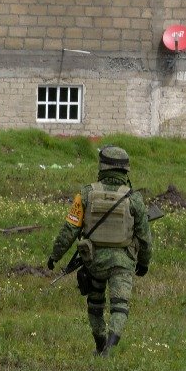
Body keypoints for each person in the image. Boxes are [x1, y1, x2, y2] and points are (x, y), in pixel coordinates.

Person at [47, 146, 152, 357]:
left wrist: (54, 256)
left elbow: (70, 229)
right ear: (125, 171)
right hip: (122, 264)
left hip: (93, 262)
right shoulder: (134, 199)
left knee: (95, 304)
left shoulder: (86, 194)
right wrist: (144, 262)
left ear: (101, 167)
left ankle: (99, 344)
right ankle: (110, 348)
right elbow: (145, 238)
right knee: (119, 306)